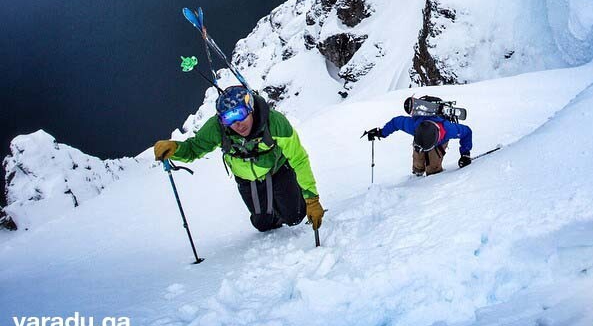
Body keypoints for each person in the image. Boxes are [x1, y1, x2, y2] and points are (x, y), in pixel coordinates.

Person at [154, 85, 324, 233]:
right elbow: (194, 149)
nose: (237, 124)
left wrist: (312, 199)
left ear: (250, 108)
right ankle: (273, 210)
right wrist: (175, 148)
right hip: (247, 179)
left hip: (277, 169)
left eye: (240, 114)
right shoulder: (217, 128)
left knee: (295, 218)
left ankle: (291, 202)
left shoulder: (275, 123)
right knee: (263, 225)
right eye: (229, 118)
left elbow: (298, 159)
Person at [365, 97, 473, 175]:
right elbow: (396, 122)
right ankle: (418, 173)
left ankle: (432, 176)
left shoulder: (448, 129)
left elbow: (467, 132)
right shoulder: (413, 126)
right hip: (420, 137)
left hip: (438, 143)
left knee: (433, 170)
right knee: (418, 165)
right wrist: (381, 133)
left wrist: (465, 154)